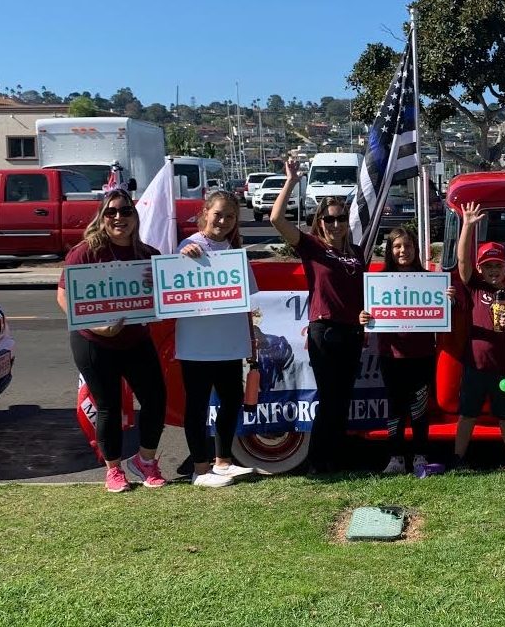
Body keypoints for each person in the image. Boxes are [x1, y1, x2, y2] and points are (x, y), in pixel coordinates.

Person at [56, 189, 167, 493]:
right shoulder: (84, 252)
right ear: (102, 217)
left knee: (156, 400)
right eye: (112, 212)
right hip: (93, 341)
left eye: (126, 211)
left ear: (135, 216)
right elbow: (64, 295)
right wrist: (97, 325)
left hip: (135, 338)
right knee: (108, 406)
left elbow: (165, 296)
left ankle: (145, 462)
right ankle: (114, 470)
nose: (119, 217)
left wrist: (155, 285)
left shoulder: (148, 255)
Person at [270, 157, 366, 473]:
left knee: (343, 399)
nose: (336, 224)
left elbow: (363, 293)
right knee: (328, 399)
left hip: (352, 333)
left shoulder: (357, 253)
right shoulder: (312, 246)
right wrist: (291, 181)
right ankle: (318, 461)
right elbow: (275, 219)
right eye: (329, 219)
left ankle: (335, 458)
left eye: (340, 219)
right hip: (324, 332)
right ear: (320, 221)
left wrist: (367, 314)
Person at [176, 189, 257, 488]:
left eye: (230, 216)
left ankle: (222, 461)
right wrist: (181, 257)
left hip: (229, 341)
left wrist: (251, 337)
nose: (223, 220)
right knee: (197, 405)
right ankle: (200, 468)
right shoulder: (189, 245)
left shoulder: (234, 249)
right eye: (218, 214)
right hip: (197, 344)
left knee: (232, 399)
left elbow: (248, 297)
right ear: (206, 212)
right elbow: (172, 284)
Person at [359, 227, 454, 475]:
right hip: (390, 355)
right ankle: (395, 457)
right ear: (390, 250)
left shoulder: (429, 279)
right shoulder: (379, 280)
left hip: (422, 354)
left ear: (416, 249)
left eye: (408, 246)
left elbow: (444, 311)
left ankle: (420, 456)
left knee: (420, 409)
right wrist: (363, 316)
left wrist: (448, 298)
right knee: (395, 408)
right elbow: (367, 313)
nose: (403, 251)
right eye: (398, 246)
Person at [453, 202, 505, 470]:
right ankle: (458, 458)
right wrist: (468, 226)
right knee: (468, 414)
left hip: (504, 365)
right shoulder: (475, 287)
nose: (493, 270)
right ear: (481, 269)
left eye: (498, 265)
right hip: (475, 363)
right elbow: (462, 261)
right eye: (488, 266)